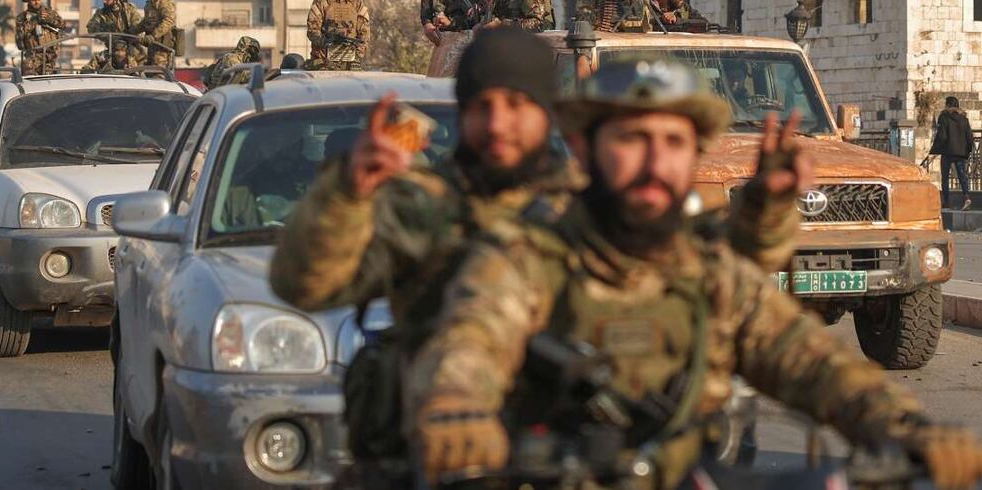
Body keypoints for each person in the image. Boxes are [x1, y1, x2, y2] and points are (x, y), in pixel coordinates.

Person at [408, 59, 982, 490]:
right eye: (633, 140)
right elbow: (471, 340)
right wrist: (458, 411)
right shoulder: (524, 258)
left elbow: (806, 358)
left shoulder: (711, 273)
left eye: (675, 143)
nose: (657, 163)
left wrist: (904, 428)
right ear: (583, 147)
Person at [271, 31, 801, 480]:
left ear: (546, 111)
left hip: (573, 458)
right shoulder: (419, 207)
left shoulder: (591, 199)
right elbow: (305, 285)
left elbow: (719, 277)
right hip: (440, 460)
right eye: (482, 106)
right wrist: (345, 197)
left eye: (518, 105)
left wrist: (765, 209)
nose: (498, 124)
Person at [305, 0, 370, 71]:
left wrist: (357, 55)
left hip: (350, 62)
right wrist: (326, 41)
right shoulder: (321, 2)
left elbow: (364, 34)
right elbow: (312, 30)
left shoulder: (356, 4)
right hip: (324, 62)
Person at [925, 96, 974, 209]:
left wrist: (935, 149)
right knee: (962, 176)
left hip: (947, 152)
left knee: (945, 177)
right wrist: (968, 151)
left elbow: (942, 136)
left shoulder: (944, 117)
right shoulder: (964, 119)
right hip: (960, 153)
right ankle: (967, 197)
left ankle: (947, 202)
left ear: (947, 105)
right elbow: (970, 138)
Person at [15, 0, 66, 75]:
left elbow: (63, 25)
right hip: (33, 55)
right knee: (29, 76)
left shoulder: (50, 13)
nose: (36, 2)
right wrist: (35, 20)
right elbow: (20, 34)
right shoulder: (22, 17)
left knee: (48, 80)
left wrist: (49, 19)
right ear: (28, 1)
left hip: (50, 54)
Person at [132, 0, 177, 69]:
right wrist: (133, 30)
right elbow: (146, 22)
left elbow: (169, 21)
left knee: (158, 74)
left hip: (162, 48)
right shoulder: (150, 3)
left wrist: (153, 36)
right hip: (152, 46)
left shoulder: (164, 1)